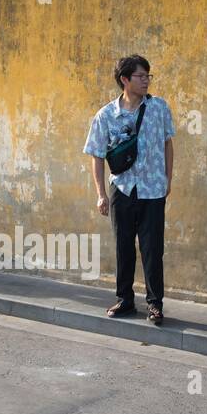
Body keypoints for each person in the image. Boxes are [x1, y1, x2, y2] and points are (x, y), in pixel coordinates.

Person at [83, 55, 176, 325]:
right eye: (140, 76)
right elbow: (96, 154)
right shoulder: (106, 115)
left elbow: (168, 144)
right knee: (123, 247)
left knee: (152, 249)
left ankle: (155, 304)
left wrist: (168, 179)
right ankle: (124, 299)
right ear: (125, 80)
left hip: (153, 190)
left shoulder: (158, 108)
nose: (146, 80)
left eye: (148, 76)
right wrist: (101, 193)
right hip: (122, 189)